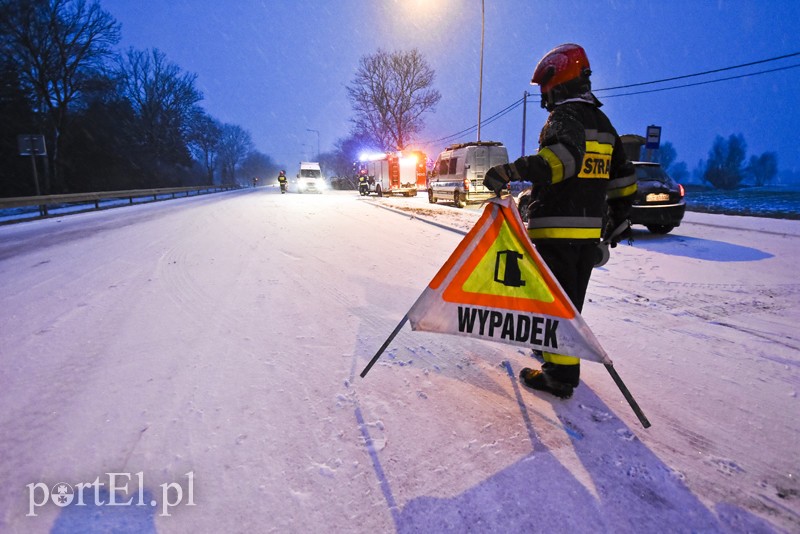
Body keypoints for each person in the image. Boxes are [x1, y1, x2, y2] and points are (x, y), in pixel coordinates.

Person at [483, 43, 638, 399]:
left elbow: (561, 161)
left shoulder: (565, 118)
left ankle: (559, 376)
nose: (543, 98)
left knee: (553, 306)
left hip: (557, 233)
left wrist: (511, 170)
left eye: (546, 90)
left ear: (561, 82)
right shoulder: (602, 123)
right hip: (585, 239)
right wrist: (618, 219)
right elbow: (624, 179)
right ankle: (554, 355)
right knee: (568, 304)